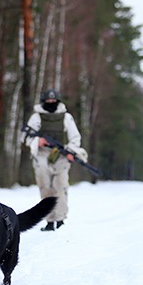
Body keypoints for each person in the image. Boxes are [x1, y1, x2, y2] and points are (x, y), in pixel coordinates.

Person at [23, 89, 87, 231]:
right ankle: (50, 220)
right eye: (48, 101)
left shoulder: (66, 117)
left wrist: (71, 151)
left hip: (62, 154)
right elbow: (26, 137)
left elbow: (75, 138)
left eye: (54, 101)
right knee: (45, 186)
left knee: (60, 186)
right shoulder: (36, 117)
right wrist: (37, 141)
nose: (51, 103)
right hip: (42, 154)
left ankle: (60, 219)